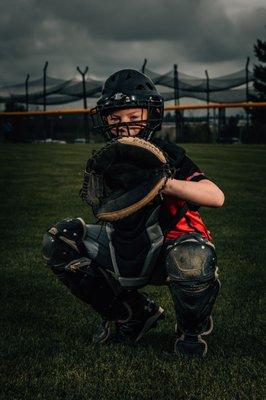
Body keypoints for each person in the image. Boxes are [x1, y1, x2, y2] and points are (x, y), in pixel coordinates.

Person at [42, 69, 224, 357]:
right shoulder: (109, 160)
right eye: (115, 119)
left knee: (192, 258)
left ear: (150, 114)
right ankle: (133, 313)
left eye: (132, 117)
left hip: (171, 248)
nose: (124, 126)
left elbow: (216, 197)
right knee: (60, 240)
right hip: (127, 243)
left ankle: (192, 325)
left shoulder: (168, 155)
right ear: (104, 120)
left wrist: (166, 183)